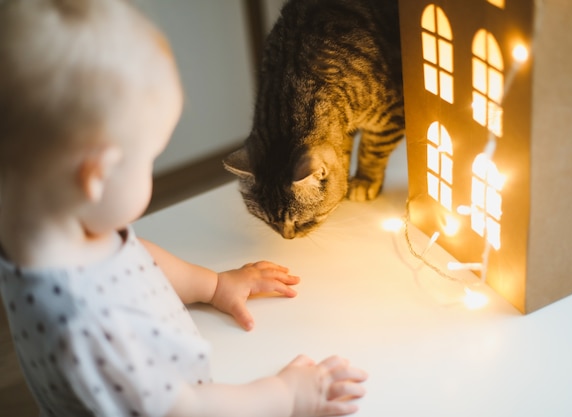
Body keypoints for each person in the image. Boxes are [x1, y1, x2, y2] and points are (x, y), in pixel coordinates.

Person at [0, 1, 368, 416]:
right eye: (148, 160)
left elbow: (134, 258)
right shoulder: (88, 323)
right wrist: (288, 395)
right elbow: (187, 409)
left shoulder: (55, 228)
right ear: (96, 174)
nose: (150, 172)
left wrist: (212, 285)